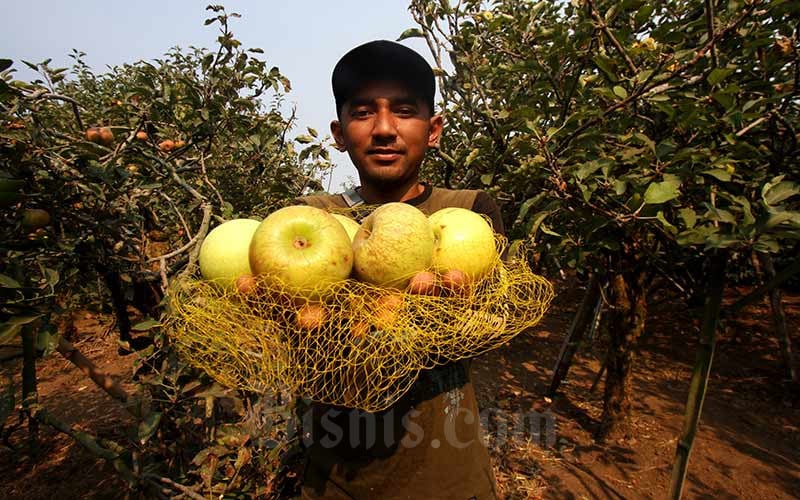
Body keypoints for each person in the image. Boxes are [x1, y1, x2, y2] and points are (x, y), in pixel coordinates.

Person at [295, 40, 503, 500]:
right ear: (339, 131)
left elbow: (497, 323)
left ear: (433, 130)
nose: (385, 129)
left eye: (404, 111)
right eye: (364, 112)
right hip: (338, 477)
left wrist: (455, 318)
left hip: (450, 476)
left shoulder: (469, 211)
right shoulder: (315, 220)